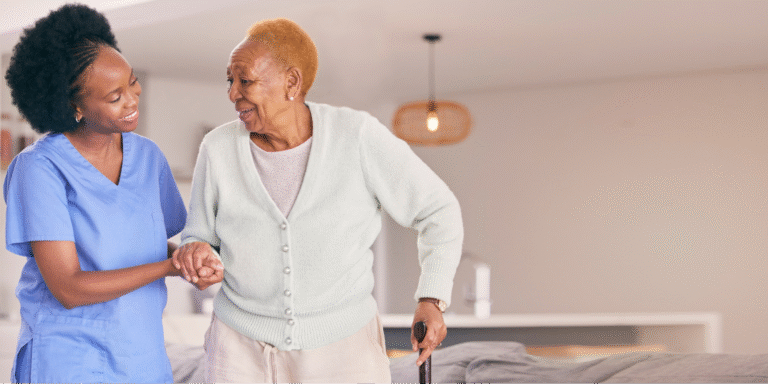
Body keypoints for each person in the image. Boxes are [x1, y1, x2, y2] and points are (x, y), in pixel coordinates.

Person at [173, 17, 463, 382]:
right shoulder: (217, 148)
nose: (232, 93)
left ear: (291, 82)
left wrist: (432, 298)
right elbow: (197, 236)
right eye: (230, 80)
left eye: (245, 80)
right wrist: (195, 254)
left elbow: (438, 210)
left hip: (344, 349)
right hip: (238, 349)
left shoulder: (356, 136)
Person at [2, 4, 222, 383]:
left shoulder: (148, 157)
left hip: (142, 354)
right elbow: (68, 287)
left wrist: (188, 259)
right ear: (74, 106)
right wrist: (170, 267)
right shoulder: (39, 169)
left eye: (132, 82)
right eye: (114, 96)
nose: (133, 100)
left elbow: (151, 246)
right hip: (68, 357)